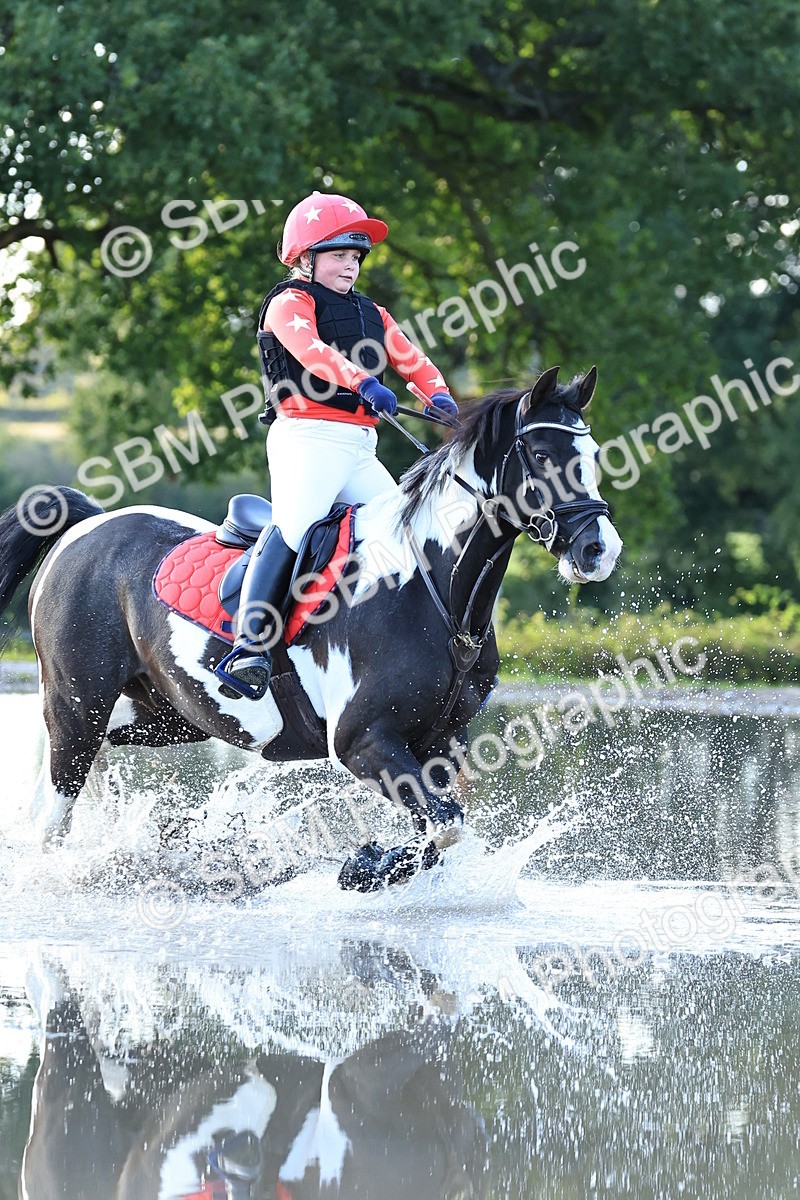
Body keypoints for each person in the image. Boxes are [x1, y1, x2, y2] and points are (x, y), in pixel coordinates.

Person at [216, 191, 458, 700]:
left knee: (401, 533)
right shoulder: (289, 303)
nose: (350, 264)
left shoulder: (374, 313)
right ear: (306, 258)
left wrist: (439, 397)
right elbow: (312, 351)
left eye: (356, 256)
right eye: (339, 254)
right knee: (297, 525)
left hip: (358, 446)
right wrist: (363, 381)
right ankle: (250, 646)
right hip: (306, 439)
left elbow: (411, 359)